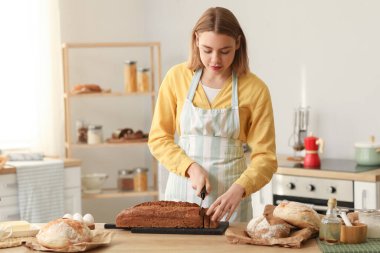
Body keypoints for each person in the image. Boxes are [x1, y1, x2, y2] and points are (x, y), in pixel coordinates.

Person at [148, 7, 277, 222]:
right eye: (207, 50)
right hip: (181, 197)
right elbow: (158, 138)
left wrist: (240, 189)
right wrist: (190, 168)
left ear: (237, 43)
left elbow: (266, 158)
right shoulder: (176, 77)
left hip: (231, 203)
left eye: (225, 51)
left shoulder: (255, 89)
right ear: (196, 40)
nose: (215, 59)